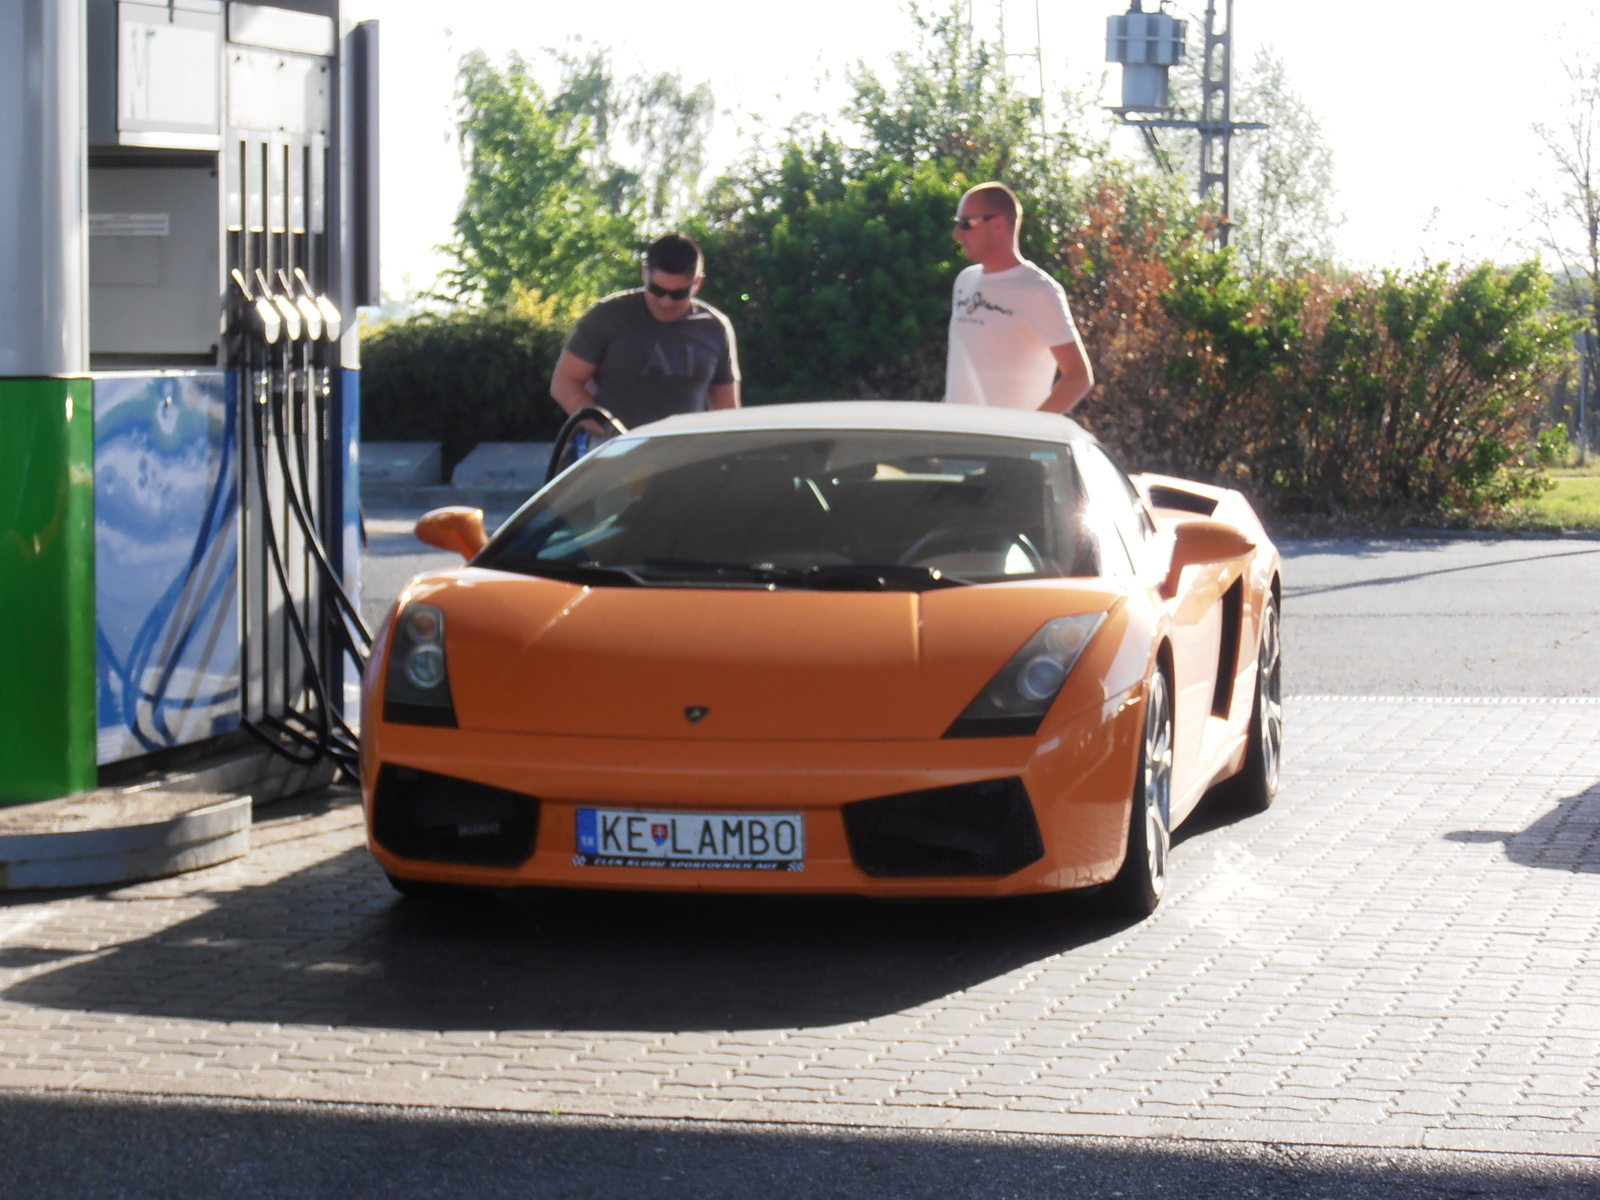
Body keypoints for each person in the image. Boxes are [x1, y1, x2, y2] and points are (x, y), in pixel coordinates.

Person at [549, 232, 740, 431]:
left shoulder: (715, 327)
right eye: (657, 290)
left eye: (678, 294)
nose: (665, 302)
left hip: (686, 454)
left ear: (697, 283)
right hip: (618, 452)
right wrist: (608, 433)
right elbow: (564, 383)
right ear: (644, 273)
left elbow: (726, 411)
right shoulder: (607, 317)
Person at [944, 182, 1094, 413]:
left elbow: (1078, 378)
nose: (956, 234)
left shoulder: (1038, 291)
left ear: (998, 225)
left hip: (1005, 447)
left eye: (966, 224)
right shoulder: (965, 281)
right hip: (956, 438)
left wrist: (1026, 432)